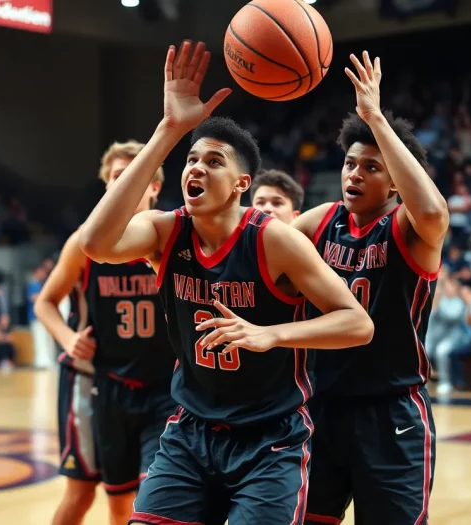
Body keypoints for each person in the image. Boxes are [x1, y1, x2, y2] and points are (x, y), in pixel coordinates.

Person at [78, 40, 374, 525]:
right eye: (192, 160)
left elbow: (357, 323)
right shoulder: (167, 230)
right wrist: (169, 130)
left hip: (270, 437)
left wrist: (272, 334)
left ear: (242, 184)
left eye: (214, 161)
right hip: (191, 431)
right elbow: (96, 242)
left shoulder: (274, 241)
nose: (196, 167)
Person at [291, 51, 449, 525]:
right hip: (323, 406)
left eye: (372, 167)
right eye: (350, 163)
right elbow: (258, 250)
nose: (354, 174)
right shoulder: (320, 222)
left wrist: (375, 118)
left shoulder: (408, 230)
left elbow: (435, 213)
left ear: (397, 183)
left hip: (393, 412)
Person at [35, 140, 177, 525]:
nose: (127, 181)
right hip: (102, 382)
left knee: (157, 493)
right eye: (119, 175)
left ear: (154, 186)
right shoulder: (85, 242)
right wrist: (67, 340)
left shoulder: (175, 235)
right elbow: (45, 301)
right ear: (107, 185)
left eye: (138, 174)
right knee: (102, 496)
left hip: (166, 386)